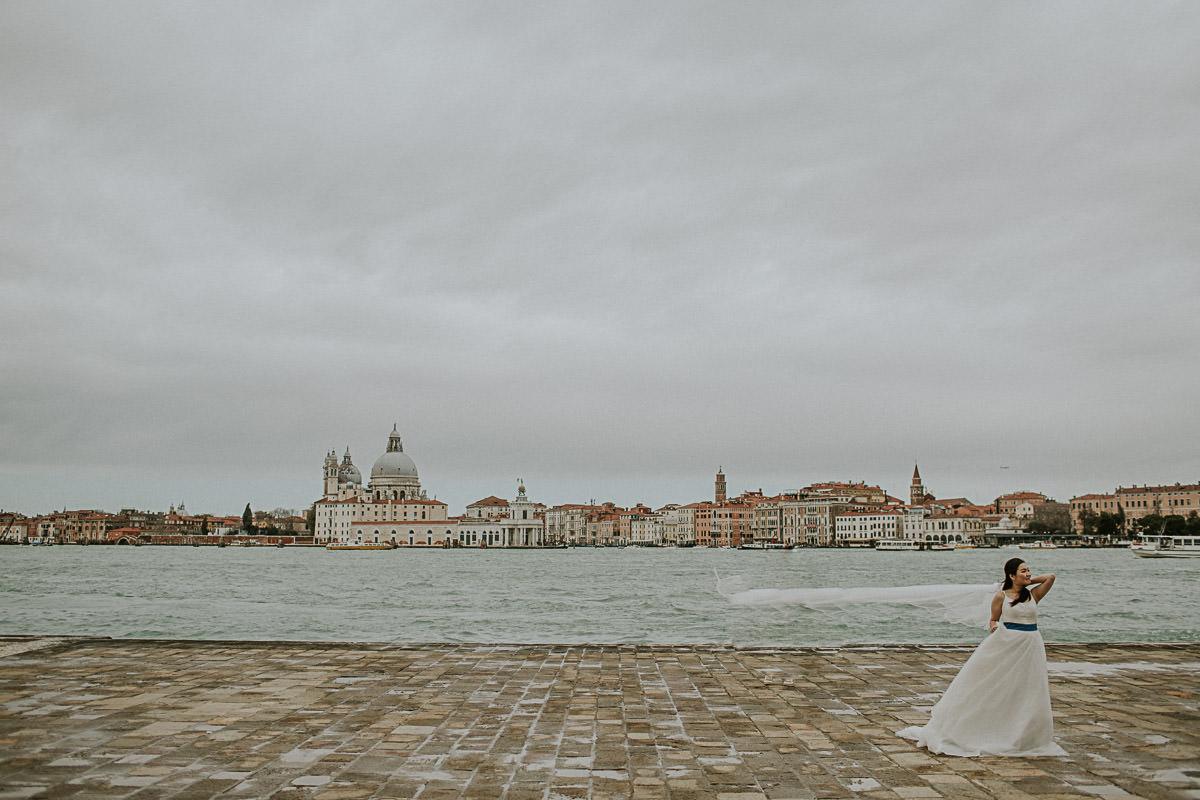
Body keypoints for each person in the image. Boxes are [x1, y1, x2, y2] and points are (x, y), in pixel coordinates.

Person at [897, 558, 1066, 757]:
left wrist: (1027, 581)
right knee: (998, 684)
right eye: (1023, 571)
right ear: (1011, 575)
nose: (1028, 573)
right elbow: (993, 619)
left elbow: (1050, 577)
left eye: (1029, 570)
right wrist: (994, 625)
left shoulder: (1033, 595)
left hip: (1032, 644)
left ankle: (1025, 734)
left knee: (1029, 688)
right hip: (1009, 643)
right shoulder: (1001, 596)